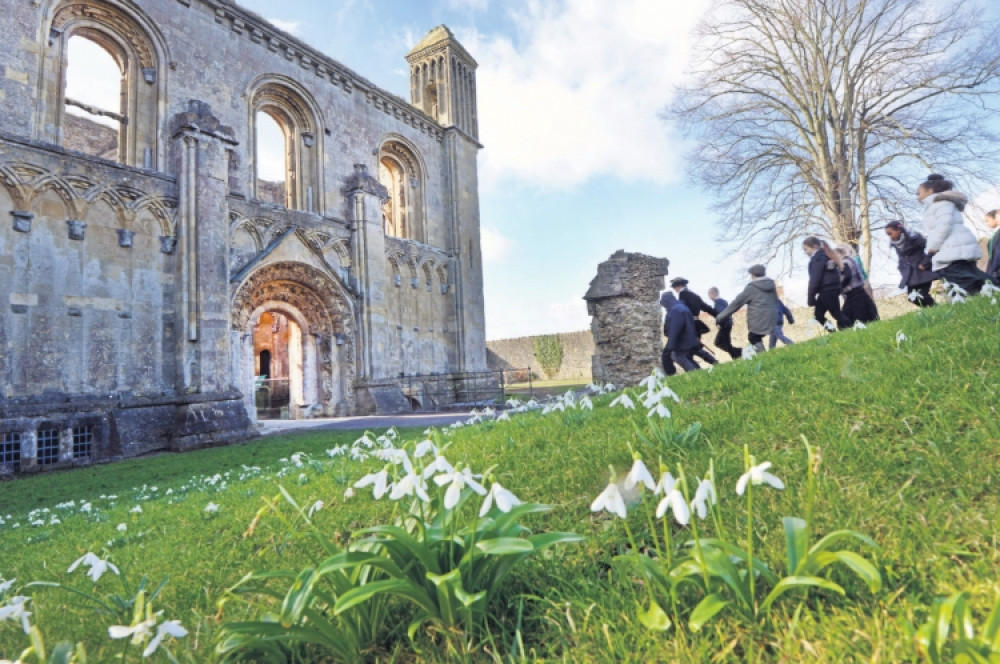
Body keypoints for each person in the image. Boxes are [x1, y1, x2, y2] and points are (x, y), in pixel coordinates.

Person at [918, 173, 993, 294]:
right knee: (974, 280)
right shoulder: (941, 203)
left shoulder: (939, 203)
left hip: (951, 251)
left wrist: (931, 250)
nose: (917, 196)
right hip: (955, 248)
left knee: (965, 285)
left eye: (919, 193)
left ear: (930, 190)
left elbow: (943, 227)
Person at [716, 264, 778, 353]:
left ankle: (765, 357)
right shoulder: (771, 285)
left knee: (753, 337)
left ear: (752, 275)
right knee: (759, 336)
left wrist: (720, 317)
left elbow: (736, 304)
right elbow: (775, 300)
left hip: (759, 319)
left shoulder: (751, 288)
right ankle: (768, 355)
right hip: (773, 317)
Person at [663, 280, 718, 367]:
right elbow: (707, 308)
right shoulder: (695, 295)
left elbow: (683, 313)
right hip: (697, 324)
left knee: (688, 351)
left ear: (679, 286)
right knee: (694, 348)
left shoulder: (683, 295)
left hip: (689, 325)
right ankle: (712, 362)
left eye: (674, 287)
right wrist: (718, 316)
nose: (674, 289)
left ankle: (699, 369)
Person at [885, 220, 937, 307]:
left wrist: (925, 262)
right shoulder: (895, 244)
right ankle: (933, 309)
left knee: (923, 295)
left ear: (898, 230)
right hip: (910, 274)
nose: (890, 237)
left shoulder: (914, 238)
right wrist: (901, 268)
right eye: (888, 235)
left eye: (891, 233)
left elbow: (931, 247)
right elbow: (902, 259)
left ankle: (936, 309)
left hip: (922, 271)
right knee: (912, 297)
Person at [803, 236, 850, 330]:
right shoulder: (826, 255)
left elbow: (815, 279)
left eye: (806, 249)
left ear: (814, 247)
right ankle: (835, 332)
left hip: (827, 290)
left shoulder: (818, 258)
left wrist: (810, 297)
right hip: (830, 289)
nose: (805, 252)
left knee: (835, 313)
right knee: (819, 315)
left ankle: (850, 329)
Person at [660, 292, 704, 373]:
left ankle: (695, 375)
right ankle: (700, 373)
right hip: (688, 337)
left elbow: (676, 327)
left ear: (666, 301)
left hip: (682, 339)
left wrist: (671, 345)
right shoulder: (682, 307)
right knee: (687, 357)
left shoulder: (675, 310)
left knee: (678, 357)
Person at [836, 246, 879, 324]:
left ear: (841, 254)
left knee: (855, 315)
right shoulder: (850, 261)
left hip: (854, 292)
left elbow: (848, 276)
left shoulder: (845, 262)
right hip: (857, 291)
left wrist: (839, 287)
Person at [707, 287, 742, 359]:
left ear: (713, 293)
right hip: (727, 323)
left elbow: (721, 314)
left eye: (709, 294)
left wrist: (719, 323)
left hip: (725, 325)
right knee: (719, 342)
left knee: (724, 343)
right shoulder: (723, 301)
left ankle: (737, 354)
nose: (709, 297)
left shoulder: (718, 303)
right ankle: (737, 352)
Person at [985, 210, 1000, 282]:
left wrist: (992, 271)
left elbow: (998, 253)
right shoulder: (995, 234)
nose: (986, 223)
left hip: (996, 271)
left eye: (988, 220)